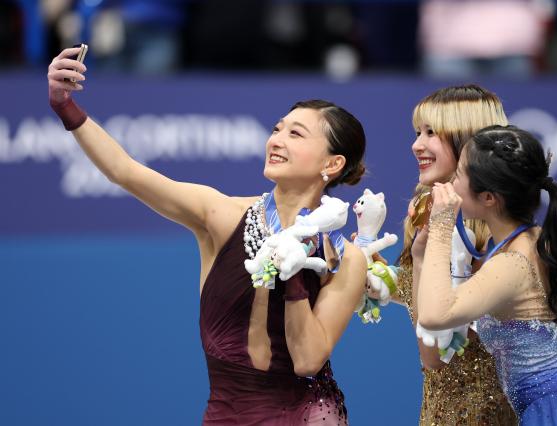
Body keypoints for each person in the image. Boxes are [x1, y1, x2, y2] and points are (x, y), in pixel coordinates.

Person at [47, 46, 367, 425]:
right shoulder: (221, 214)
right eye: (277, 129)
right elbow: (125, 171)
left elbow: (308, 360)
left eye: (296, 134)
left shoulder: (345, 258)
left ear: (332, 164)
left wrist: (294, 272)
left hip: (308, 417)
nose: (277, 140)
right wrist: (65, 106)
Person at [418, 125, 557, 424]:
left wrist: (441, 224)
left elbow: (435, 315)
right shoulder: (538, 241)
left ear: (489, 198)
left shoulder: (513, 263)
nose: (451, 180)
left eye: (460, 173)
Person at [392, 85, 518, 424]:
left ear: (470, 143)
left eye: (431, 133)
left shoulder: (507, 233)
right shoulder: (424, 212)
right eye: (418, 132)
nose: (416, 145)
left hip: (496, 412)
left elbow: (437, 347)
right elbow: (429, 346)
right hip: (438, 408)